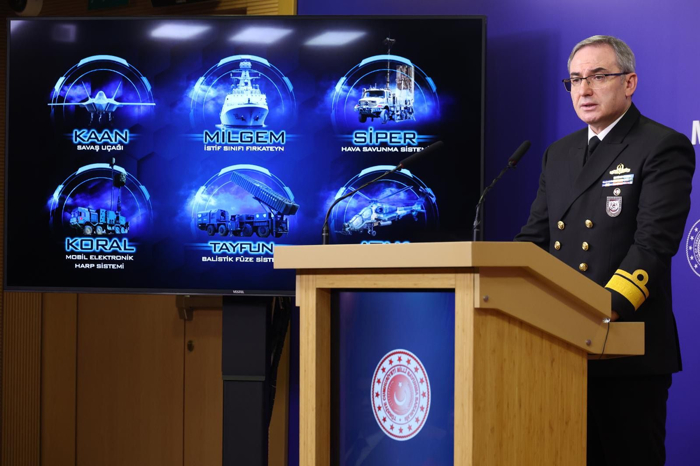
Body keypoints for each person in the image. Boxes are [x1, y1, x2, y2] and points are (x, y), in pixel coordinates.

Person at [515, 35, 695, 466]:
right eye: (575, 79)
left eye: (598, 76)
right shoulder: (559, 154)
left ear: (629, 83)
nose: (584, 89)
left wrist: (598, 309)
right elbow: (534, 240)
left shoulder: (660, 145)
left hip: (624, 347)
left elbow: (653, 245)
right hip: (559, 347)